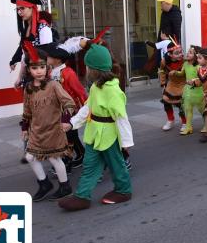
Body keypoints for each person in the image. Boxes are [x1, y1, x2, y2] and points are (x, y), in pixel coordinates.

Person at [58, 43, 134, 211]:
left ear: (95, 69)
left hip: (110, 135)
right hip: (94, 132)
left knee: (116, 165)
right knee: (90, 164)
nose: (85, 69)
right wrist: (72, 123)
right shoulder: (94, 87)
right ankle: (82, 196)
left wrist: (126, 141)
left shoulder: (113, 91)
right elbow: (87, 108)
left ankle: (123, 190)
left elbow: (121, 117)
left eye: (88, 66)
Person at [20, 42, 75, 201]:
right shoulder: (29, 88)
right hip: (36, 131)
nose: (39, 71)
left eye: (42, 67)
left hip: (53, 130)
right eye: (35, 68)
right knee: (30, 157)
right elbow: (27, 110)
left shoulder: (54, 85)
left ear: (47, 68)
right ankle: (44, 184)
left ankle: (65, 186)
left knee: (54, 158)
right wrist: (24, 127)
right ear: (29, 70)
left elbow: (69, 102)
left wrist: (66, 120)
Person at [42, 43, 88, 170]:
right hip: (56, 109)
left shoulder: (68, 73)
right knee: (69, 135)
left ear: (57, 59)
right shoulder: (50, 72)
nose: (47, 58)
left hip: (69, 110)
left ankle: (66, 162)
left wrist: (87, 107)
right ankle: (81, 154)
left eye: (49, 56)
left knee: (68, 136)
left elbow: (80, 91)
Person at [9, 0, 53, 88]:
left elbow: (48, 58)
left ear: (32, 8)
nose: (19, 12)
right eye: (17, 9)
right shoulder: (26, 30)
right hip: (29, 78)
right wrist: (20, 77)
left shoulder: (43, 29)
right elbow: (25, 56)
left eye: (22, 8)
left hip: (41, 80)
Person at [173, 45, 204, 135]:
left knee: (202, 109)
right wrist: (175, 73)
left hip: (197, 91)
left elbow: (201, 78)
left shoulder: (198, 66)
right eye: (188, 52)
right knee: (188, 109)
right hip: (188, 91)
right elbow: (182, 73)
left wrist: (194, 81)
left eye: (190, 52)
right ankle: (188, 127)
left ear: (195, 56)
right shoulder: (185, 64)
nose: (187, 53)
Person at [158, 39, 187, 131]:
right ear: (170, 54)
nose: (180, 55)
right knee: (166, 100)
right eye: (177, 53)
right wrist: (163, 83)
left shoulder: (185, 61)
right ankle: (170, 120)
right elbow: (161, 71)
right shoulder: (164, 61)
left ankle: (185, 122)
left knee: (180, 104)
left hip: (183, 83)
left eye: (181, 52)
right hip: (172, 83)